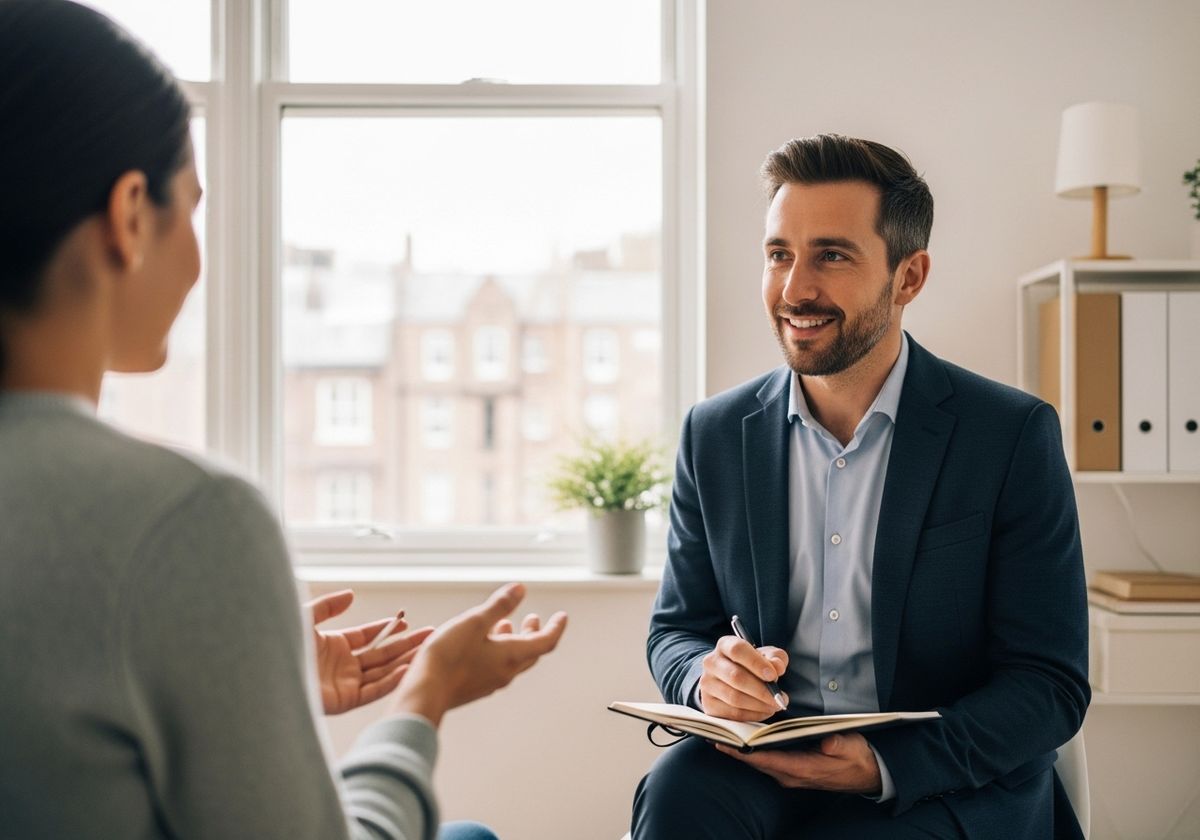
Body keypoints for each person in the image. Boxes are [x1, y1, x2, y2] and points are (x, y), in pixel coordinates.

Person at [0, 2, 566, 839]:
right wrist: (426, 695)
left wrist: (248, 673)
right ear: (127, 217)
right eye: (191, 208)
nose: (198, 255)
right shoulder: (185, 523)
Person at [630, 134, 1089, 839]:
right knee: (675, 795)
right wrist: (705, 677)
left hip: (939, 780)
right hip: (763, 761)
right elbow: (678, 629)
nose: (794, 289)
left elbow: (1048, 684)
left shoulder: (1009, 435)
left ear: (908, 277)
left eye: (831, 255)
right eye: (779, 254)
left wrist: (882, 765)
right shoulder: (715, 434)